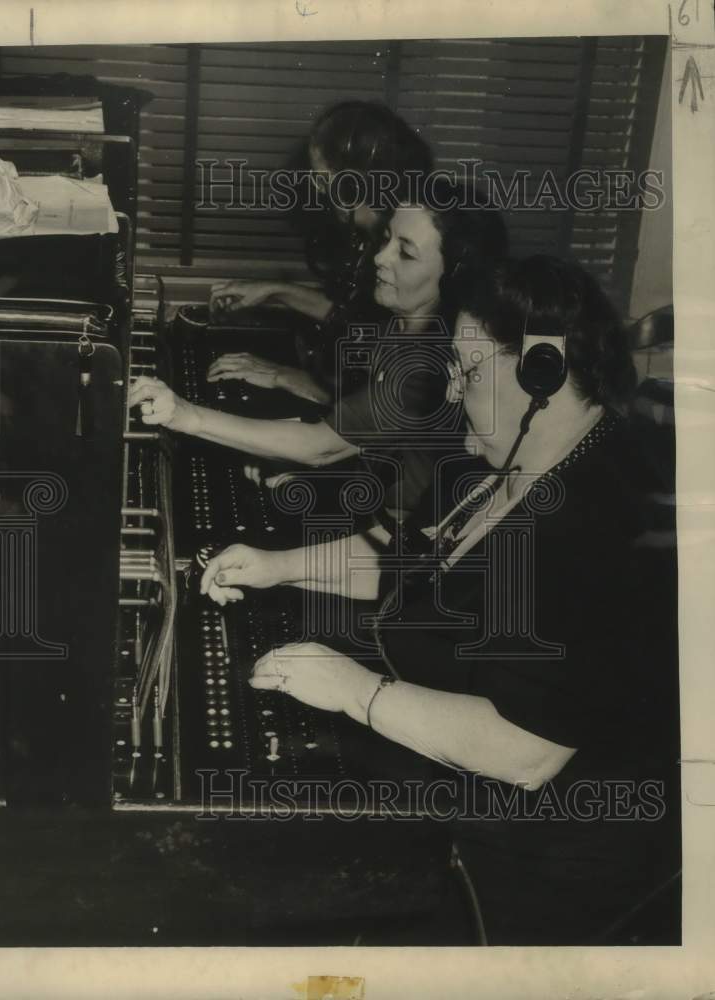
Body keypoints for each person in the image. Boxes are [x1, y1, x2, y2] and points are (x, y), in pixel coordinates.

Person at [194, 255, 681, 946]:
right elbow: (408, 563)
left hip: (535, 851)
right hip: (454, 773)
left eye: (469, 369)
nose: (452, 389)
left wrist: (354, 691)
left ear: (540, 372)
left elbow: (525, 753)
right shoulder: (500, 465)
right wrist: (276, 567)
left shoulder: (591, 522)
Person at [130, 178, 508, 518]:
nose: (380, 257)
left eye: (405, 253)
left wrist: (185, 414)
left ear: (456, 275)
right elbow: (359, 434)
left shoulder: (429, 361)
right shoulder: (402, 322)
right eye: (387, 239)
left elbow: (322, 447)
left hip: (401, 527)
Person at [206, 100, 434, 406]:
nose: (315, 187)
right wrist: (277, 291)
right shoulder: (377, 237)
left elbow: (394, 393)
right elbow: (359, 324)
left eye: (321, 177)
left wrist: (286, 377)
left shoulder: (411, 252)